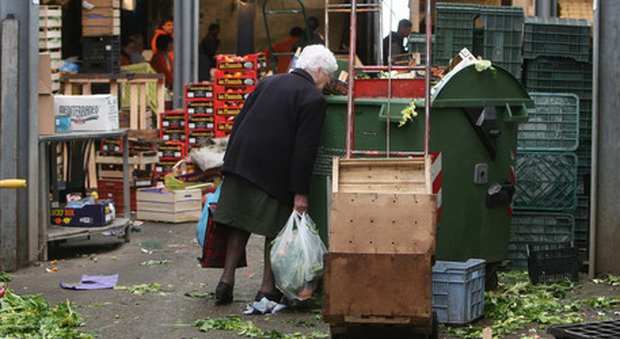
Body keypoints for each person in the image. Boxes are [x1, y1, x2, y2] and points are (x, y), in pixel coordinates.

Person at [211, 44, 337, 306]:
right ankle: (267, 290)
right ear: (318, 71)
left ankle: (226, 281)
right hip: (272, 171)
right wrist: (300, 192)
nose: (328, 83)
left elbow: (239, 121)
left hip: (241, 162)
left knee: (239, 223)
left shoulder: (268, 82)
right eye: (328, 77)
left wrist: (228, 163)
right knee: (276, 230)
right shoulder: (313, 99)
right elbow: (305, 149)